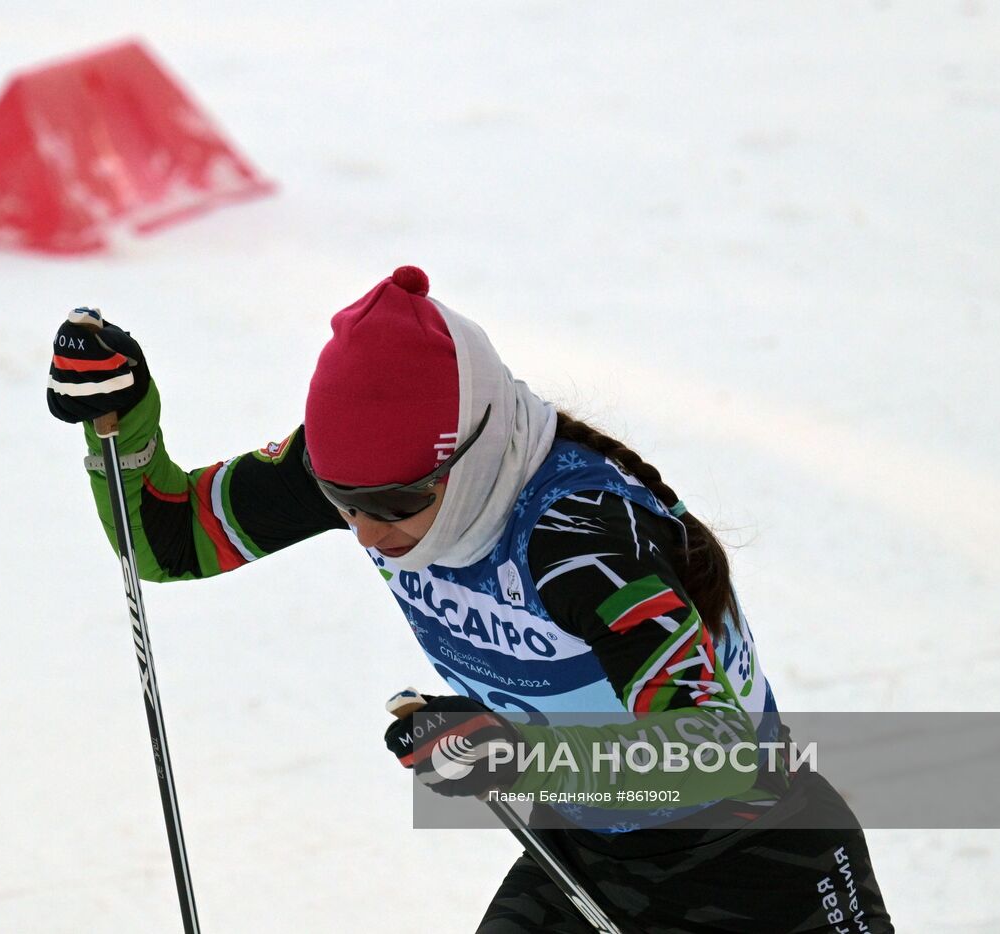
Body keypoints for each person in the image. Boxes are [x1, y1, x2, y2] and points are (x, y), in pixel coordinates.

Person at [47, 266, 892, 933]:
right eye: (346, 504)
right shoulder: (364, 475)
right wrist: (121, 425)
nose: (370, 533)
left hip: (759, 871)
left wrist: (517, 753)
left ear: (474, 457)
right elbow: (164, 536)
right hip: (587, 858)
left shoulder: (579, 545)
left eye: (396, 507)